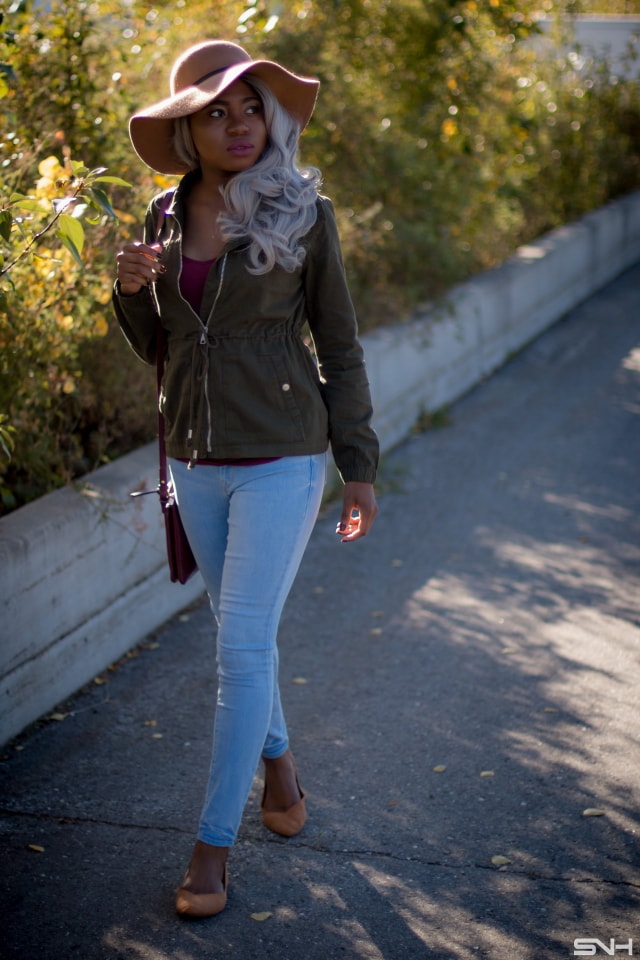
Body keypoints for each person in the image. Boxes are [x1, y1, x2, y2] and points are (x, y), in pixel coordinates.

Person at [113, 39, 379, 919]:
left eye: (251, 106)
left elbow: (338, 345)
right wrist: (129, 291)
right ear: (189, 125)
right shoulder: (161, 215)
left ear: (274, 116)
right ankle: (281, 772)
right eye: (217, 110)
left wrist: (359, 467)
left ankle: (211, 850)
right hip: (194, 460)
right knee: (245, 639)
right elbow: (164, 348)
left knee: (235, 652)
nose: (237, 124)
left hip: (284, 459)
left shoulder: (305, 212)